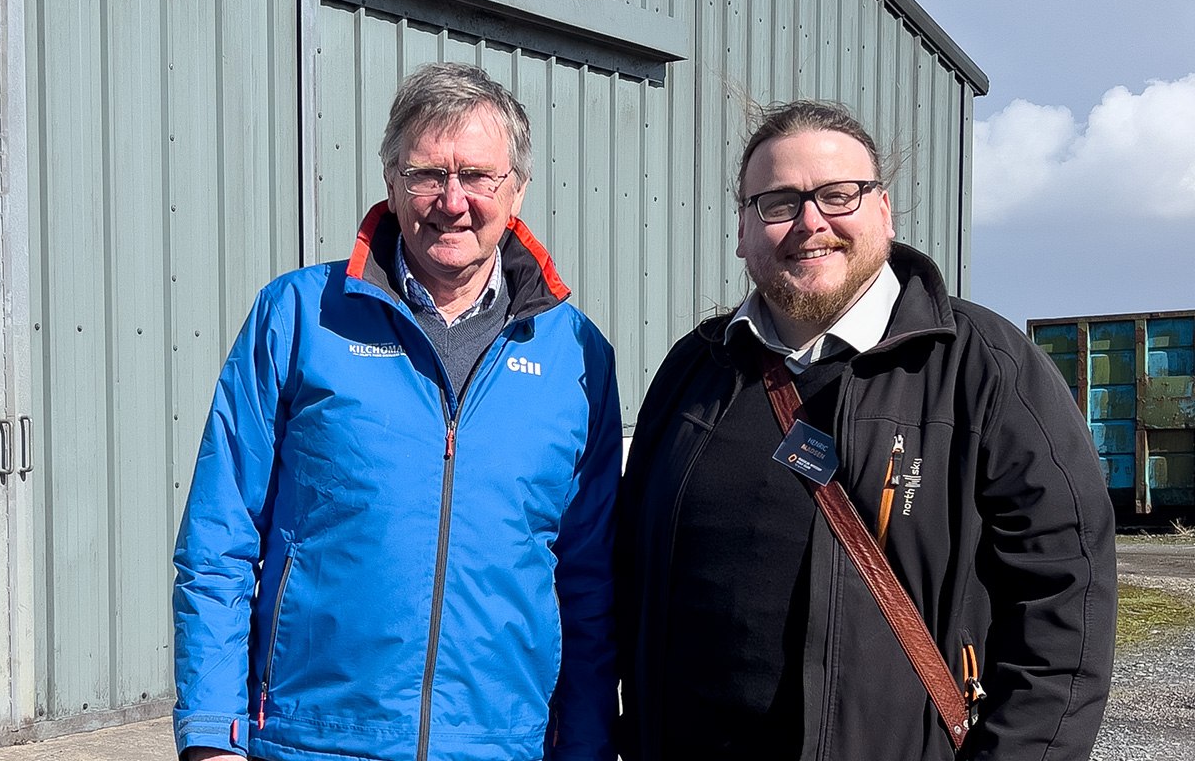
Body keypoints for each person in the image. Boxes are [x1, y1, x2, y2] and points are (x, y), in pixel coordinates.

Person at [614, 100, 1117, 760]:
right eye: (778, 202)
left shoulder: (982, 365)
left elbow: (1064, 597)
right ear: (742, 229)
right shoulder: (696, 369)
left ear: (883, 212)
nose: (810, 222)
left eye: (838, 195)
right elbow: (628, 572)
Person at [173, 62, 621, 761]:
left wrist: (588, 745)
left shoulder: (575, 355)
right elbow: (219, 540)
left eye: (478, 175)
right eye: (425, 175)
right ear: (390, 181)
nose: (452, 200)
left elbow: (587, 578)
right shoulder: (298, 317)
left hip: (503, 744)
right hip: (312, 740)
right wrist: (212, 733)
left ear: (518, 189)